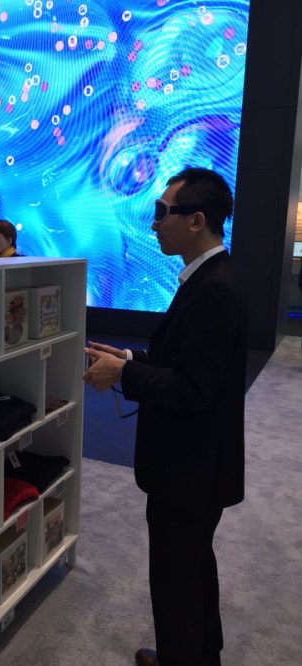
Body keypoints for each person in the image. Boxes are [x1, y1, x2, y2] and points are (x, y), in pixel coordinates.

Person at [83, 167, 247, 666]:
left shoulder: (214, 289)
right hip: (197, 466)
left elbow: (192, 389)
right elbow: (186, 363)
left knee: (176, 580)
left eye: (161, 213)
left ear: (196, 220)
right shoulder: (210, 278)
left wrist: (124, 374)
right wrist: (130, 359)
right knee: (193, 569)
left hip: (190, 469)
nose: (153, 224)